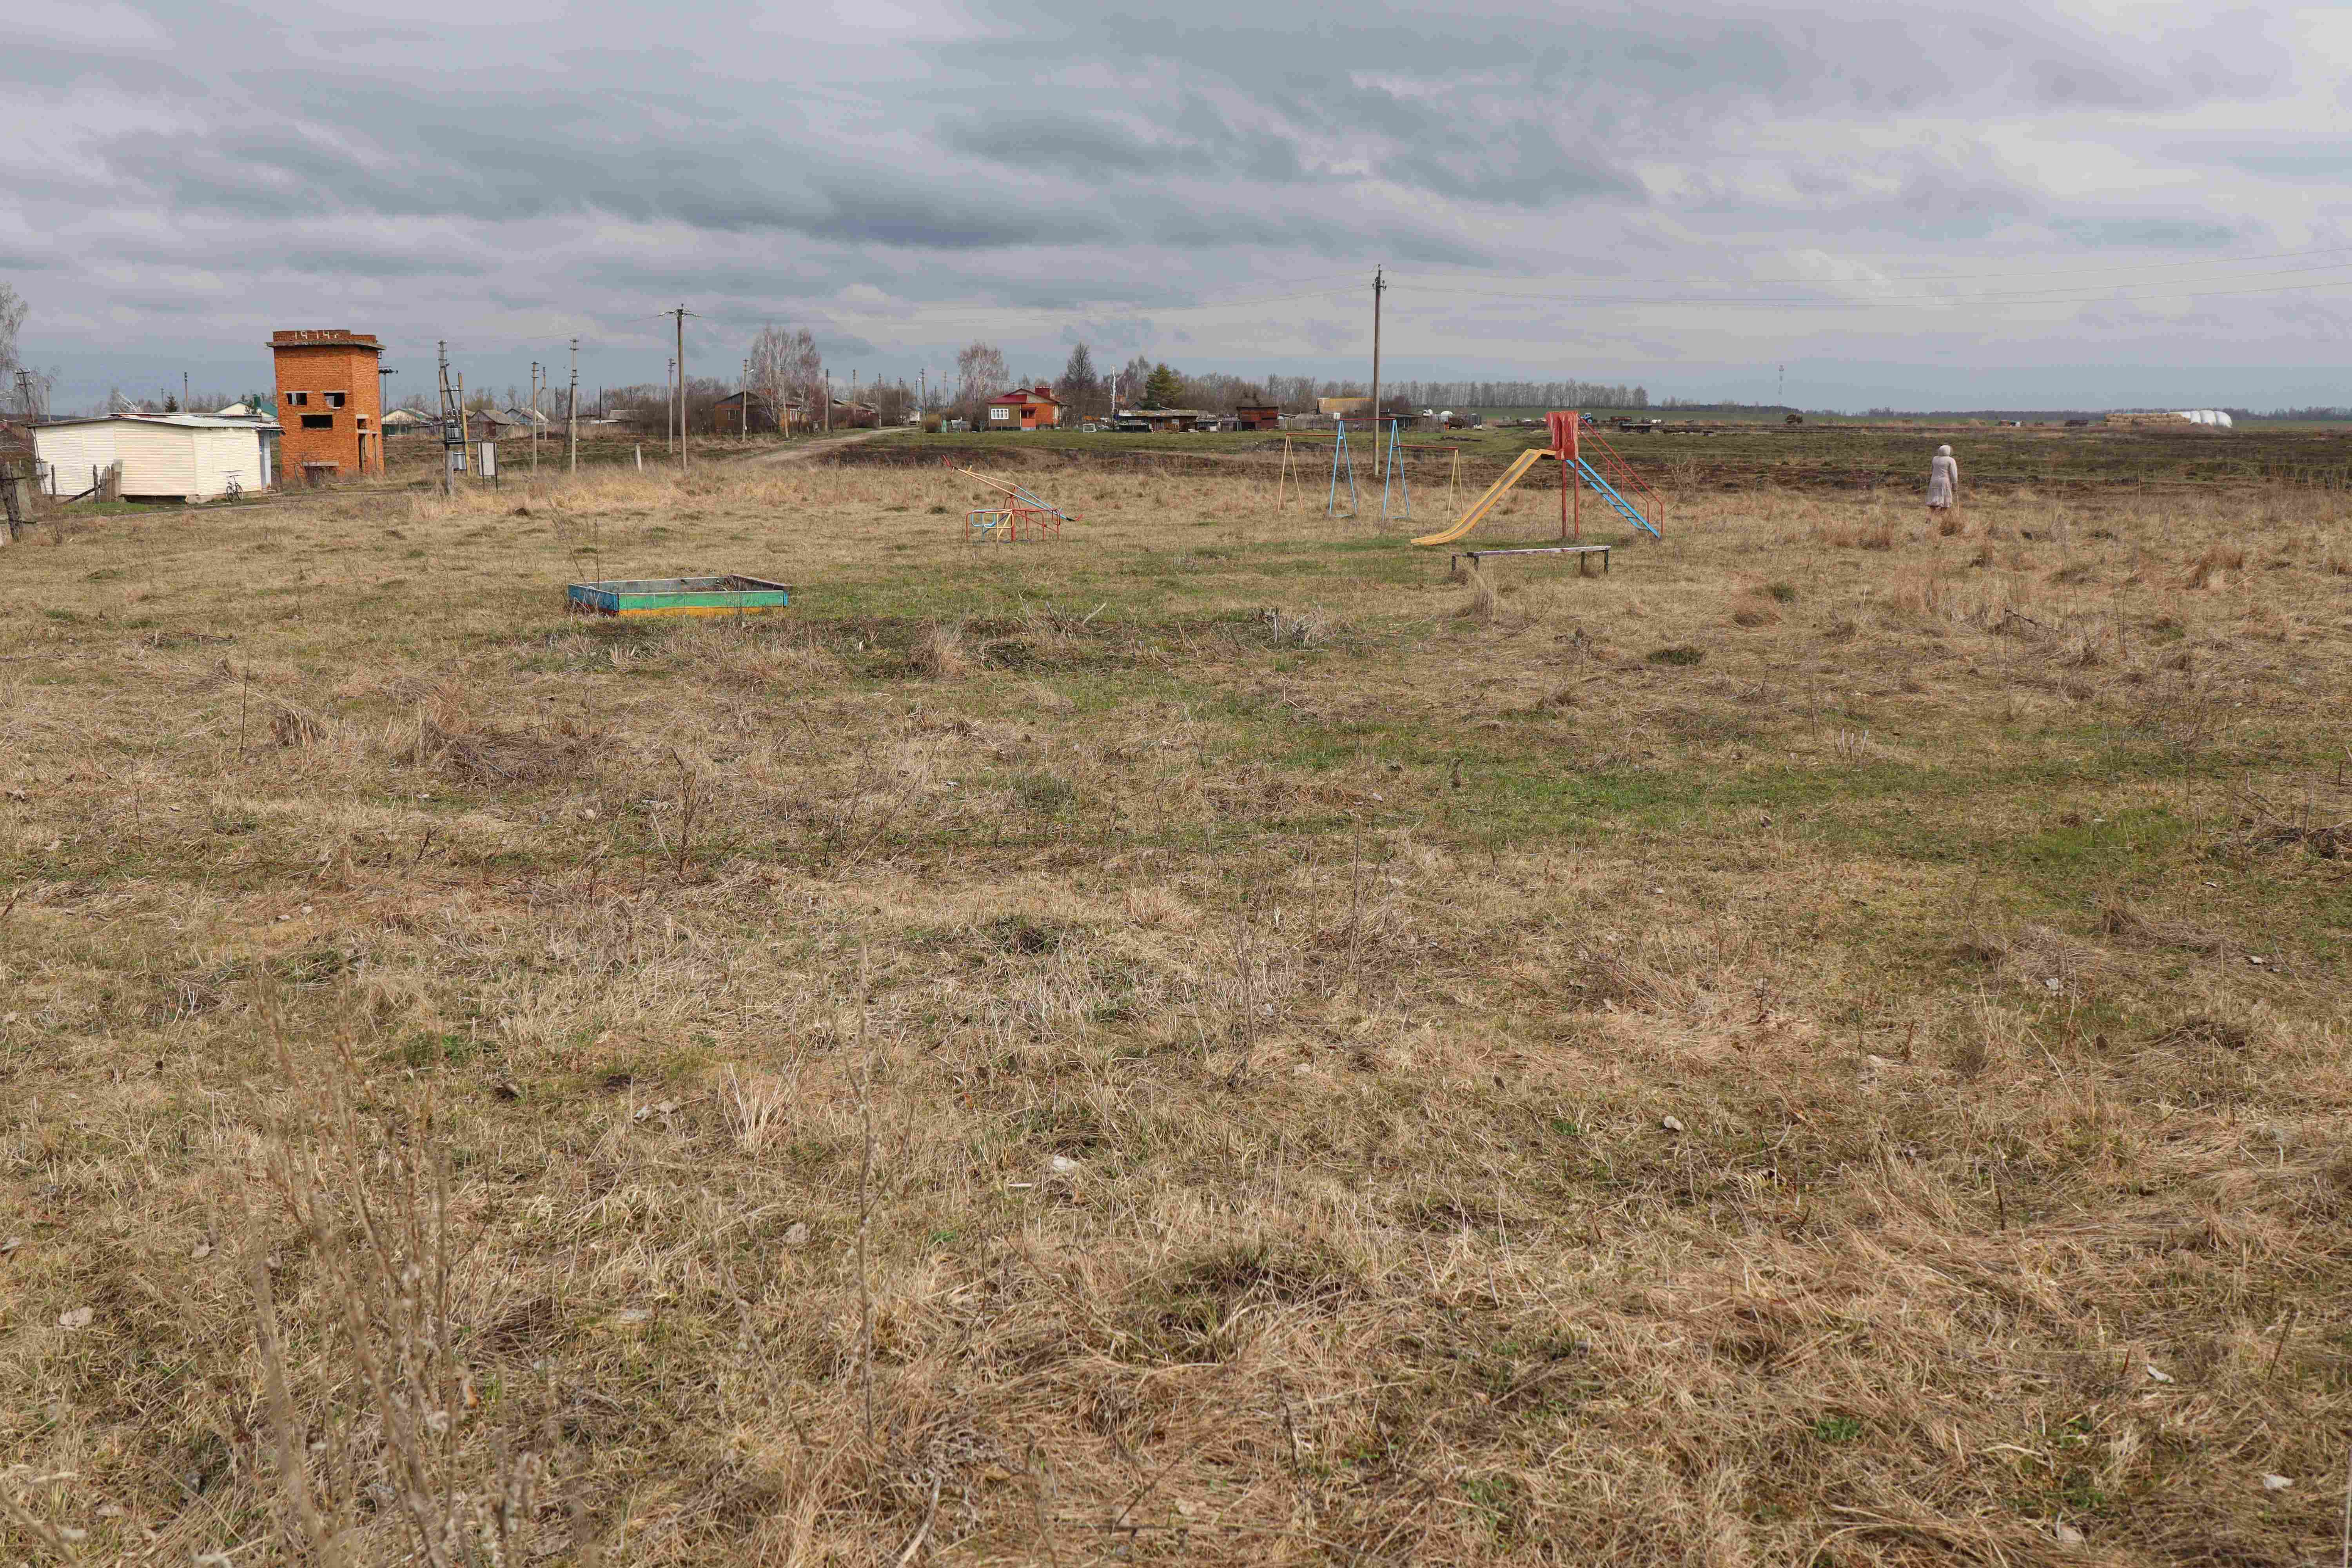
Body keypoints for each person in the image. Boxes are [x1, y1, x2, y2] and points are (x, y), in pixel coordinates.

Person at [1926, 444, 1959, 513]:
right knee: (1945, 503)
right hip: (1945, 483)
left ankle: (1929, 519)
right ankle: (1942, 519)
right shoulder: (1951, 460)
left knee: (1933, 504)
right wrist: (1955, 484)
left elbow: (1932, 470)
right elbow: (1954, 474)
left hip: (1934, 481)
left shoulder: (1935, 459)